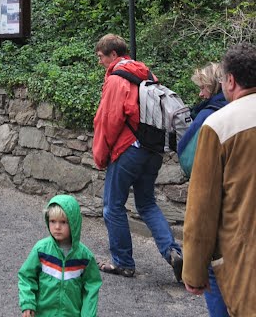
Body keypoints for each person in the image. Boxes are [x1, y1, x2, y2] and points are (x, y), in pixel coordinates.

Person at [93, 33, 182, 280]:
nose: (100, 62)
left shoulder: (117, 80)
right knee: (146, 203)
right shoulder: (147, 75)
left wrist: (100, 156)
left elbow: (108, 121)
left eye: (101, 57)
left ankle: (123, 262)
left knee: (113, 206)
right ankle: (174, 253)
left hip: (128, 150)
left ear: (113, 54)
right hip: (152, 149)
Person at [183, 42, 256, 317]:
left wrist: (193, 271)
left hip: (243, 258)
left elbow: (202, 206)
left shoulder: (219, 124)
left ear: (231, 81)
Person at [177, 63, 228, 317]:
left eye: (204, 87)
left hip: (218, 204)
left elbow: (187, 157)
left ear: (217, 86)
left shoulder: (210, 116)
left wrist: (193, 270)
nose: (200, 94)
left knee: (212, 269)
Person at [18, 194, 101, 317]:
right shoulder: (41, 250)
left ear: (74, 223)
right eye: (52, 221)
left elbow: (92, 287)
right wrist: (28, 303)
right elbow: (26, 276)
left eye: (63, 222)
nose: (57, 227)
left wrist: (88, 315)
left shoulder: (84, 256)